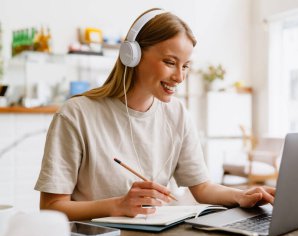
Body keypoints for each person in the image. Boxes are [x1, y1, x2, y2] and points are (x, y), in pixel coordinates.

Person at [34, 8, 275, 221]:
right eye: (170, 62)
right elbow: (51, 207)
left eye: (186, 65)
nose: (180, 77)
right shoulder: (76, 114)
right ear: (133, 56)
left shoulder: (177, 113)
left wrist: (242, 196)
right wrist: (117, 205)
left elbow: (202, 187)